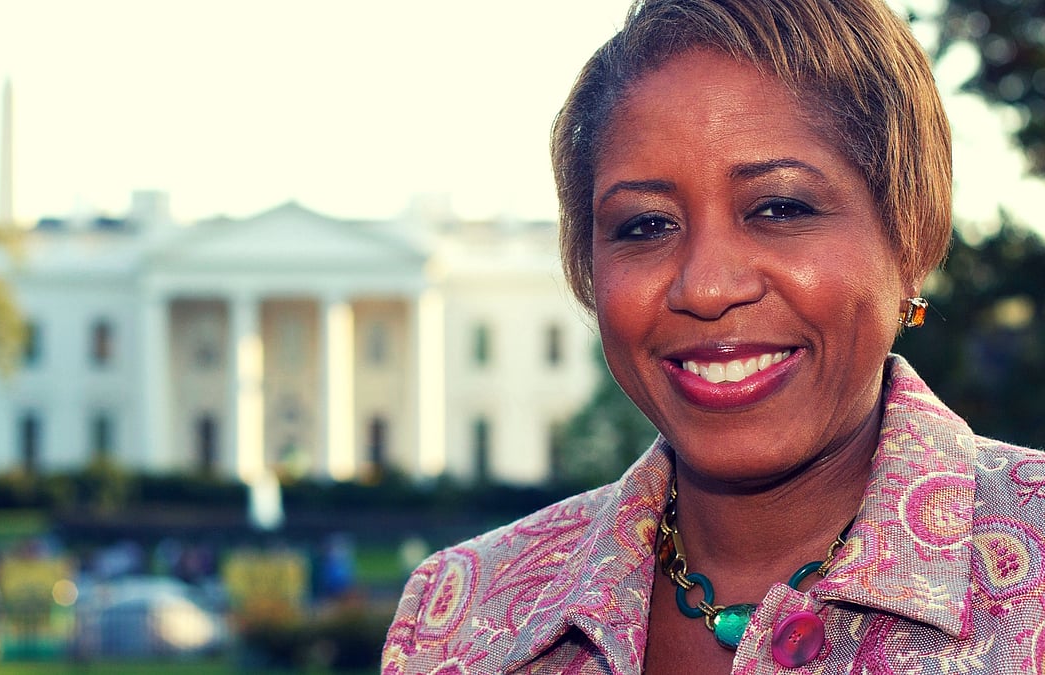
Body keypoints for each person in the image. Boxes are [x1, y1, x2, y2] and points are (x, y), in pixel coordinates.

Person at [382, 0, 1045, 673]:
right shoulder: (458, 616)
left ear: (910, 241)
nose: (704, 286)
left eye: (780, 207)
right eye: (646, 225)